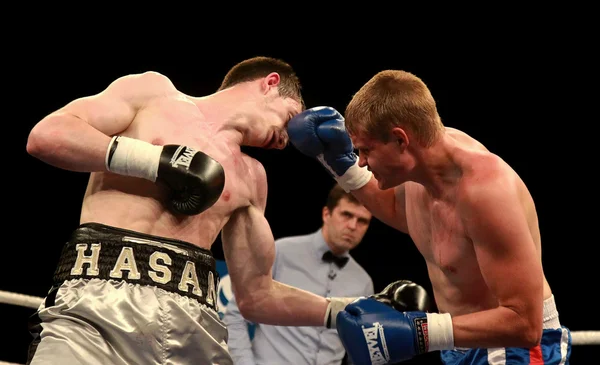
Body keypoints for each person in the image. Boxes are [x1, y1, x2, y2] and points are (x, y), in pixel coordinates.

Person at [24, 57, 398, 365]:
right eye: (290, 116)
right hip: (95, 313)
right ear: (269, 83)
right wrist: (156, 160)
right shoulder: (153, 94)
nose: (287, 138)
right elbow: (48, 135)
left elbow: (256, 294)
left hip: (193, 332)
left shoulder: (252, 178)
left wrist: (349, 309)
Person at [287, 69, 572, 365]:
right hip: (461, 342)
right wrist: (338, 164)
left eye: (366, 149)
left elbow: (525, 325)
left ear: (400, 140)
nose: (361, 161)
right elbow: (400, 213)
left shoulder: (486, 192)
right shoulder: (421, 173)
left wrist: (419, 332)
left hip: (516, 350)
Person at [223, 183, 374, 365]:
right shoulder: (281, 251)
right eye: (346, 215)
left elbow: (359, 350)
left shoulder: (364, 282)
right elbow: (236, 314)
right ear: (327, 214)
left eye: (362, 221)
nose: (352, 226)